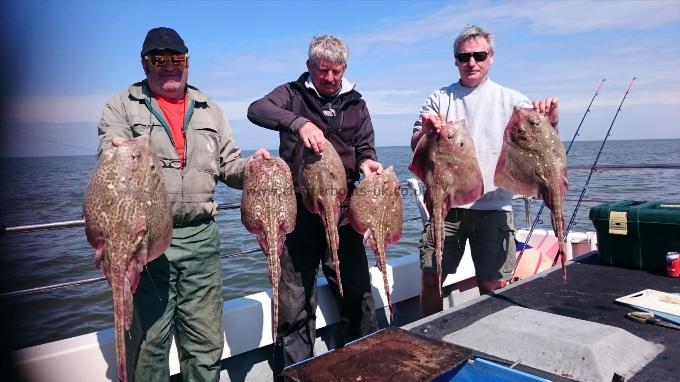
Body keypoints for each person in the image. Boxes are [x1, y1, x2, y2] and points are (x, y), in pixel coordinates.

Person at [97, 27, 270, 381]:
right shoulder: (122, 105)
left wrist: (253, 168)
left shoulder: (210, 110)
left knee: (205, 342)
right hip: (144, 242)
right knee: (148, 343)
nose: (169, 66)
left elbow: (229, 165)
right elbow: (108, 154)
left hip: (201, 241)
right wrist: (116, 149)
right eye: (159, 59)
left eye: (177, 58)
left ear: (188, 62)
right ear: (145, 64)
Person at [247, 35, 382, 380]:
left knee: (356, 290)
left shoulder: (356, 104)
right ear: (310, 67)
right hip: (298, 215)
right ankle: (297, 371)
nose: (330, 78)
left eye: (337, 72)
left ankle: (361, 364)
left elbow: (365, 148)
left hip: (343, 212)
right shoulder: (292, 94)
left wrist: (368, 165)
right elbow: (256, 109)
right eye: (323, 71)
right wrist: (298, 122)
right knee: (294, 300)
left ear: (345, 69)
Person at [410, 25, 559, 316]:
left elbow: (542, 147)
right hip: (447, 206)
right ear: (455, 60)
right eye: (464, 57)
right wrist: (427, 133)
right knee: (431, 278)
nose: (471, 63)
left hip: (494, 207)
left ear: (491, 57)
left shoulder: (513, 100)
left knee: (491, 283)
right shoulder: (440, 99)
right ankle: (426, 335)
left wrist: (551, 123)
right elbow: (415, 145)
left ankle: (489, 340)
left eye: (479, 55)